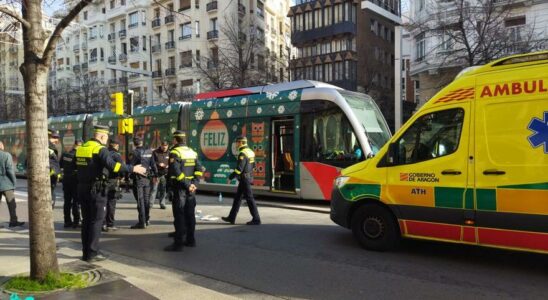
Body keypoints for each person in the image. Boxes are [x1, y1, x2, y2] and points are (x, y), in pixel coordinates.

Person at [76, 125, 146, 262]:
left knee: (86, 221)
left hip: (82, 188)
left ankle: (86, 252)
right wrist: (133, 169)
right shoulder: (100, 149)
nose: (106, 141)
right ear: (102, 136)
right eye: (106, 138)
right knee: (96, 221)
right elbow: (114, 166)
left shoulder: (81, 149)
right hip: (96, 190)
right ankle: (93, 253)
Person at [164, 130, 202, 252]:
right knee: (190, 215)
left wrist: (186, 185)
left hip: (180, 188)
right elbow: (199, 169)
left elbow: (176, 171)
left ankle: (178, 244)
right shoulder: (192, 152)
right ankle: (191, 240)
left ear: (175, 140)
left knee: (179, 215)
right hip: (191, 189)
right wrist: (194, 184)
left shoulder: (175, 152)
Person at [222, 136, 261, 225]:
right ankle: (231, 217)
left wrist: (230, 177)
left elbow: (239, 169)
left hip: (245, 179)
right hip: (248, 177)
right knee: (237, 198)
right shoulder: (251, 152)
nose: (236, 144)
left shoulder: (242, 153)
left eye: (237, 142)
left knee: (250, 198)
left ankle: (256, 218)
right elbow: (254, 166)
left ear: (241, 143)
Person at [129, 136, 153, 229]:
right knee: (146, 200)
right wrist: (154, 175)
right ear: (142, 142)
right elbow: (153, 164)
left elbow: (131, 166)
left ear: (135, 143)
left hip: (138, 179)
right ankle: (147, 219)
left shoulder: (135, 153)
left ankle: (142, 222)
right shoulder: (149, 151)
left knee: (140, 201)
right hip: (147, 178)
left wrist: (127, 176)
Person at [0, 141, 24, 228]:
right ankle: (13, 221)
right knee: (11, 203)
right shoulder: (6, 155)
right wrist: (14, 182)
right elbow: (10, 170)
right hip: (6, 183)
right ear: (1, 146)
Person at [60, 139, 83, 228]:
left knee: (67, 202)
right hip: (75, 180)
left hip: (66, 179)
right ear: (80, 145)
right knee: (76, 202)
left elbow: (61, 165)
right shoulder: (78, 155)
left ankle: (67, 221)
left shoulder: (65, 154)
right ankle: (76, 221)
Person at [102, 137, 123, 232]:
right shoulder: (116, 155)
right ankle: (110, 224)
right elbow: (121, 168)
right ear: (115, 145)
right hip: (112, 181)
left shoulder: (104, 153)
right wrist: (121, 176)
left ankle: (102, 224)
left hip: (102, 181)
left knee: (102, 203)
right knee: (111, 203)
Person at [150, 140, 170, 210]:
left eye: (166, 146)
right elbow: (152, 163)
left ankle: (162, 204)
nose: (164, 147)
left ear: (168, 146)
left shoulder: (169, 153)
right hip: (156, 174)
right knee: (154, 189)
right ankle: (150, 204)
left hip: (165, 174)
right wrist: (158, 164)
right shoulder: (155, 152)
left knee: (163, 190)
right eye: (163, 146)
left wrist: (168, 165)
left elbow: (172, 162)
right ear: (161, 145)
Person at [48, 129, 61, 209]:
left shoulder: (53, 148)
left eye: (57, 138)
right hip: (48, 179)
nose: (56, 140)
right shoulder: (48, 148)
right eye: (54, 137)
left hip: (52, 179)